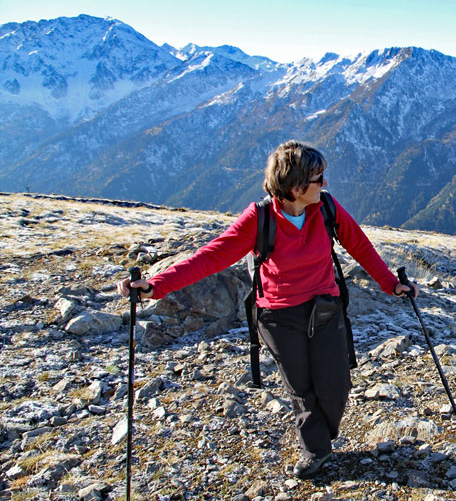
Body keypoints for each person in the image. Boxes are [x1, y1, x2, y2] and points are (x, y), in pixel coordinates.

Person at [117, 140, 418, 478]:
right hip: (278, 317)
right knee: (301, 389)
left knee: (336, 385)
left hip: (325, 308)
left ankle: (321, 435)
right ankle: (316, 451)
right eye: (319, 178)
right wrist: (156, 285)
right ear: (295, 186)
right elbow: (212, 256)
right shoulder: (259, 218)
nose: (326, 184)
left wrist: (390, 283)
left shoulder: (328, 209)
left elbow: (359, 245)